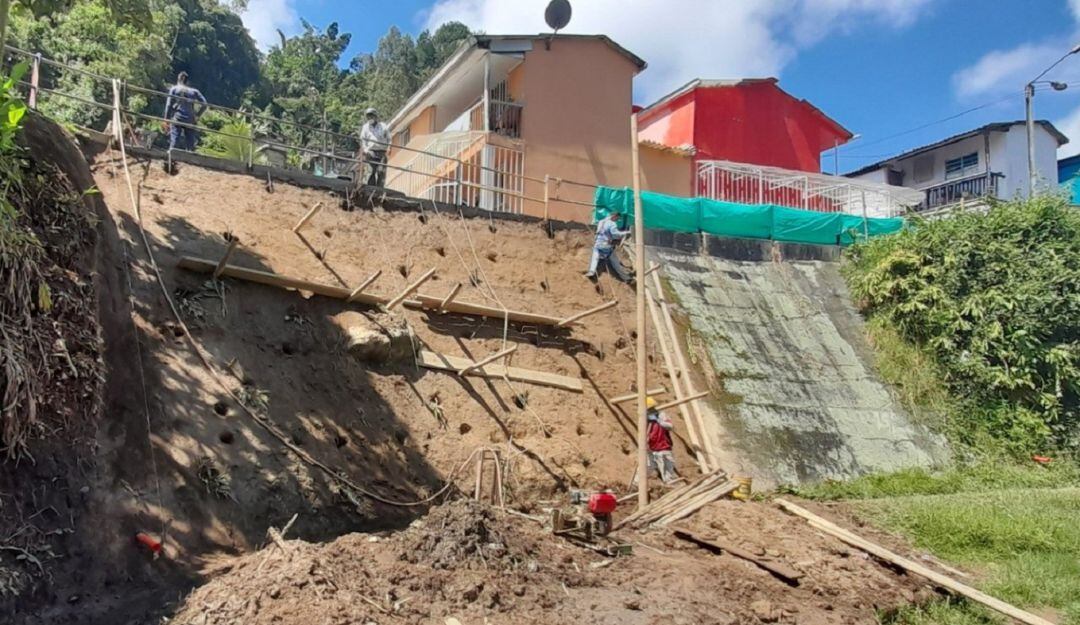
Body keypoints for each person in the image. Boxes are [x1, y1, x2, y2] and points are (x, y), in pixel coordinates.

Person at [584, 208, 633, 283]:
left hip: (598, 243)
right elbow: (615, 234)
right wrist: (626, 233)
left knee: (595, 255)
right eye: (617, 218)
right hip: (606, 245)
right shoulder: (612, 223)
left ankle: (591, 271)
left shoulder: (601, 222)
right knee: (615, 261)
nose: (617, 220)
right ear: (614, 216)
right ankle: (626, 278)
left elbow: (598, 232)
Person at [163, 71, 208, 152]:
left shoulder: (174, 89)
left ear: (178, 80)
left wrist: (166, 120)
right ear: (187, 81)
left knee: (175, 139)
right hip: (190, 119)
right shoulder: (194, 91)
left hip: (178, 117)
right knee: (190, 142)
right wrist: (197, 116)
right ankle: (190, 159)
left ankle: (172, 158)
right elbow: (204, 104)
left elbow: (169, 105)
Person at [646, 396, 678, 484]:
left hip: (664, 447)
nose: (651, 410)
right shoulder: (644, 419)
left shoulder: (661, 415)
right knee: (648, 468)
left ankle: (670, 485)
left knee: (668, 470)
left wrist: (659, 421)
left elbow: (670, 426)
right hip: (652, 449)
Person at [360, 108, 391, 187]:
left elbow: (389, 139)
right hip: (371, 152)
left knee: (381, 171)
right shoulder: (365, 127)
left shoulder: (383, 126)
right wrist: (366, 150)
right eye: (368, 116)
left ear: (375, 116)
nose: (370, 118)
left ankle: (380, 189)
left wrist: (389, 148)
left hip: (382, 152)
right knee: (371, 171)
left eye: (371, 116)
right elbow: (363, 140)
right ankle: (370, 189)